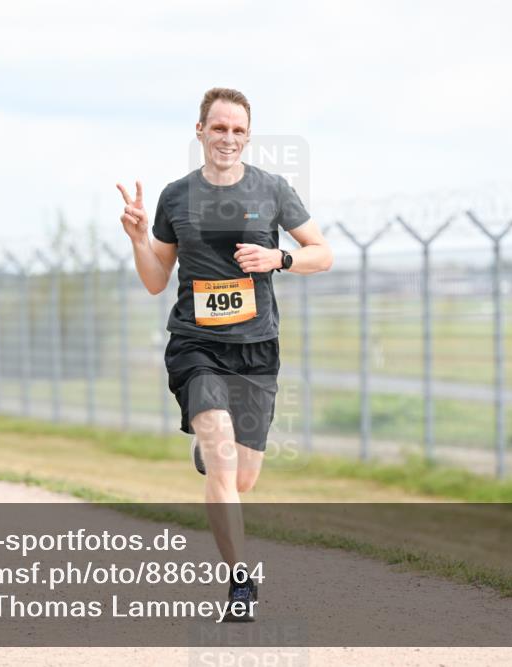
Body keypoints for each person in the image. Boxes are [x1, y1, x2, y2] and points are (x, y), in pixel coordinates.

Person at [116, 87, 332, 621]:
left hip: (256, 347)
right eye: (218, 128)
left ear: (248, 135)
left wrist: (278, 257)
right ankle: (240, 584)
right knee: (222, 452)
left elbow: (321, 253)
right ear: (200, 132)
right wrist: (140, 239)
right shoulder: (175, 197)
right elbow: (154, 280)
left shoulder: (273, 189)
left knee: (242, 478)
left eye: (237, 130)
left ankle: (213, 454)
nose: (227, 138)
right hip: (196, 344)